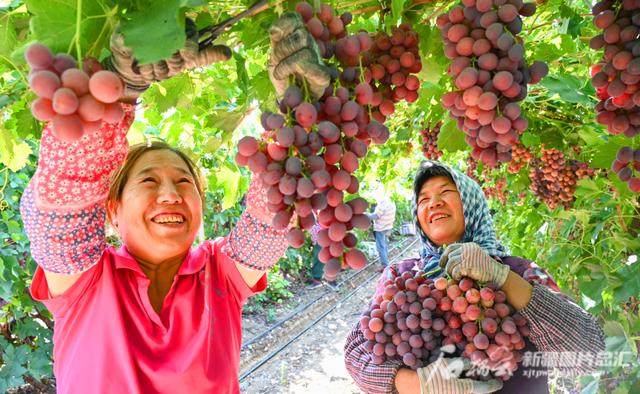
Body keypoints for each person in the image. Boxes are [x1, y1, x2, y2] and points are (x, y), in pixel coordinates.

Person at [19, 13, 329, 394]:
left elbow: (273, 217)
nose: (171, 193)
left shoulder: (220, 272)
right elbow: (63, 199)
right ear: (112, 210)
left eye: (185, 182)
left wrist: (295, 117)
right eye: (149, 180)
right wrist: (121, 87)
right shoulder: (85, 279)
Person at [344, 160, 605, 393]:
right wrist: (410, 383)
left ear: (471, 203)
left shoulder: (520, 271)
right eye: (423, 199)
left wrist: (501, 276)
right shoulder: (402, 277)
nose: (433, 202)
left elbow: (590, 352)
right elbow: (356, 353)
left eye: (446, 192)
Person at [367, 182, 396, 271]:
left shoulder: (384, 201)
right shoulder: (389, 198)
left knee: (380, 247)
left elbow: (376, 216)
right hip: (388, 225)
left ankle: (385, 266)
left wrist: (364, 215)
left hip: (381, 227)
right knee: (384, 245)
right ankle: (386, 263)